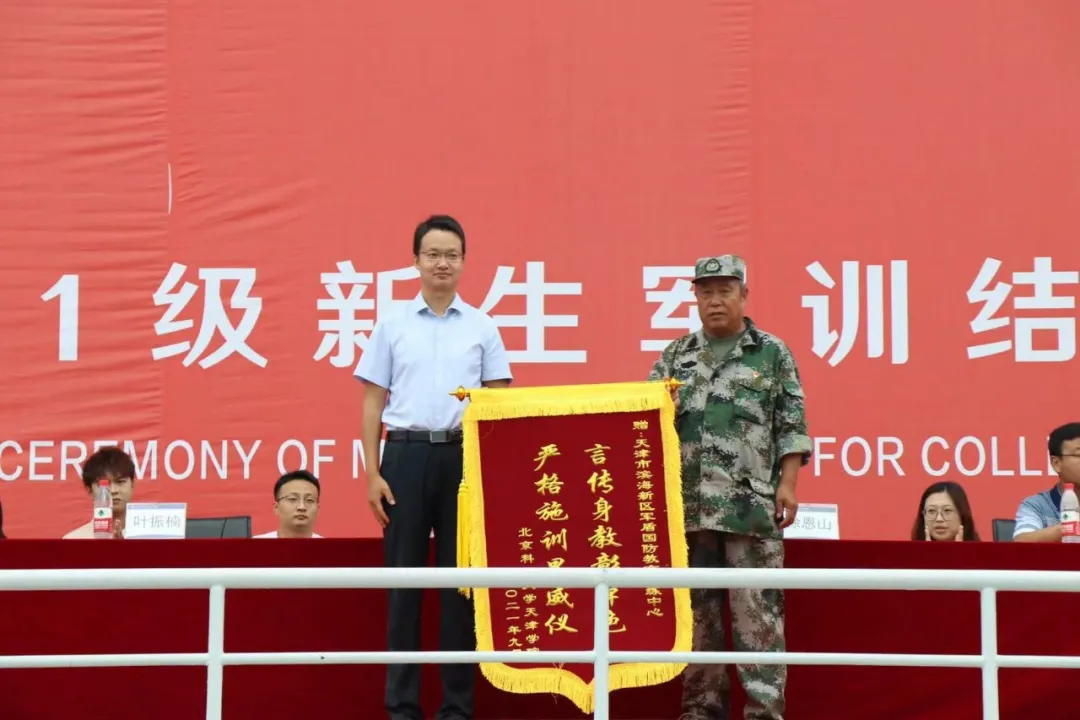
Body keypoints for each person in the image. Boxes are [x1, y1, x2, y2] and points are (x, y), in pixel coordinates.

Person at [356, 214, 512, 720]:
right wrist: (373, 473)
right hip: (404, 456)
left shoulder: (482, 326)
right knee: (403, 585)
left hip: (463, 461)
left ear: (464, 262)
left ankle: (455, 708)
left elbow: (499, 403)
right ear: (416, 261)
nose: (442, 263)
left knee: (459, 588)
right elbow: (372, 402)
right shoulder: (392, 324)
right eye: (433, 254)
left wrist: (491, 473)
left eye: (451, 255)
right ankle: (401, 706)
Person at [648, 255, 811, 720]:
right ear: (695, 298)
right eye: (706, 292)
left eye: (724, 291)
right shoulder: (675, 357)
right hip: (690, 513)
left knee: (758, 621)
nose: (715, 301)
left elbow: (791, 426)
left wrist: (788, 484)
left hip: (751, 511)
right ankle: (701, 710)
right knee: (699, 623)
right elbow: (645, 423)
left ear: (743, 295)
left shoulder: (771, 353)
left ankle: (764, 712)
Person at [1013, 422, 1080, 542]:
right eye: (1078, 454)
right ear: (1056, 463)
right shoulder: (1037, 505)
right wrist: (1070, 528)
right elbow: (1022, 541)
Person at [62, 447, 135, 539]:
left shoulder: (149, 535)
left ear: (132, 484)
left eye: (120, 482)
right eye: (104, 484)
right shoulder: (74, 540)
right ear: (89, 490)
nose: (113, 490)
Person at [253, 470, 324, 538]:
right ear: (276, 507)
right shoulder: (255, 545)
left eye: (309, 500)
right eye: (292, 499)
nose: (301, 507)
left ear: (317, 509)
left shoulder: (327, 546)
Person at [910, 481, 980, 542]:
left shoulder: (981, 552)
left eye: (947, 510)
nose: (939, 519)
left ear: (962, 515)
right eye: (931, 511)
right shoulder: (909, 553)